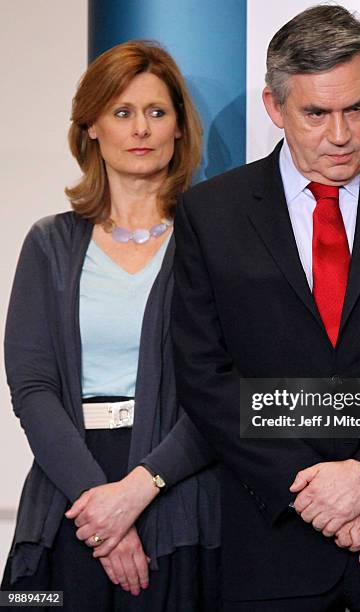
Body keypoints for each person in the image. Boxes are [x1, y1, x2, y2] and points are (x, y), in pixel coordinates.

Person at [172, 5, 360, 611]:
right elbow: (205, 377)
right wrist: (313, 494)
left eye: (356, 109)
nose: (340, 135)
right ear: (274, 107)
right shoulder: (211, 215)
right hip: (273, 545)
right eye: (315, 114)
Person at [2, 41, 220, 611]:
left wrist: (137, 491)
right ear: (92, 127)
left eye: (157, 112)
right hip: (70, 488)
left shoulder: (216, 243)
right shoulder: (49, 243)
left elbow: (225, 388)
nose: (141, 128)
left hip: (178, 486)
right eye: (122, 113)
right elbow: (31, 386)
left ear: (178, 128)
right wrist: (101, 507)